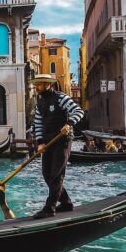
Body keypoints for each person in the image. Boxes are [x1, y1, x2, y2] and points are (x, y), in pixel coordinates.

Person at [31, 74, 84, 219]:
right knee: (46, 174)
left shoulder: (61, 98)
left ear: (48, 84)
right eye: (36, 85)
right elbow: (38, 125)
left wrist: (69, 123)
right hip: (48, 142)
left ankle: (49, 208)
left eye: (40, 84)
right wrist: (40, 142)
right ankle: (66, 203)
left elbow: (79, 111)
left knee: (56, 174)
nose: (37, 87)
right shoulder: (39, 104)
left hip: (63, 140)